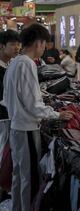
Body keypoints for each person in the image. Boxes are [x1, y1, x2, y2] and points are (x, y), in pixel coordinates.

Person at [3, 23, 74, 211]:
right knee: (30, 179)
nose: (44, 48)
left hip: (16, 127)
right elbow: (33, 104)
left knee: (20, 177)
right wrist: (57, 114)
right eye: (44, 44)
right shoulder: (27, 64)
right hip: (26, 129)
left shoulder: (14, 63)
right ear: (38, 42)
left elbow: (9, 97)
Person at [0, 29, 20, 201]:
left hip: (9, 117)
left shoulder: (11, 65)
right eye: (12, 44)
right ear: (2, 46)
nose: (17, 47)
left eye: (18, 44)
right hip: (2, 118)